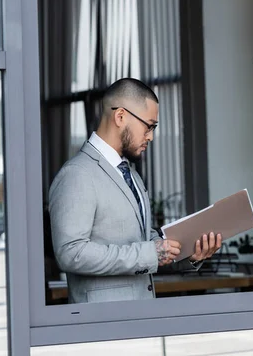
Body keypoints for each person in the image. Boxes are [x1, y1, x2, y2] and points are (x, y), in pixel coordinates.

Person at [49, 78, 221, 304]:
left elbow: (141, 242)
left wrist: (188, 253)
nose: (150, 136)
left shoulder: (130, 174)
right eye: (149, 125)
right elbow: (71, 254)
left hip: (140, 319)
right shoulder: (77, 174)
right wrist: (150, 253)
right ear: (120, 116)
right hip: (102, 323)